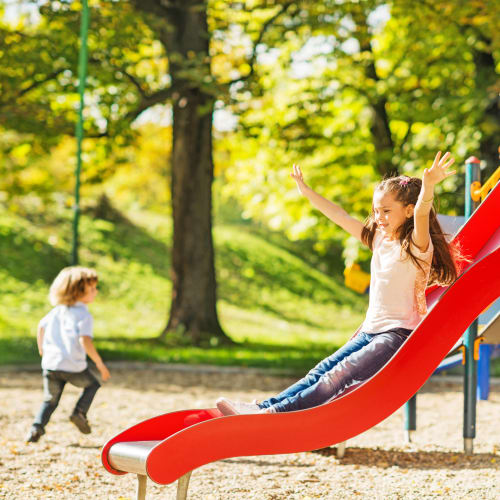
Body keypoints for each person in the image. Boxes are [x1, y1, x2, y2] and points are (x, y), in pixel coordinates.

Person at [217, 151, 459, 415]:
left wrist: (428, 187)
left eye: (387, 211)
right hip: (370, 331)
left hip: (396, 335)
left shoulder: (416, 245)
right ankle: (262, 406)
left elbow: (423, 212)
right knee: (321, 370)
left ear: (408, 210)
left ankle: (274, 413)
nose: (379, 217)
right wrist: (307, 192)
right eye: (376, 210)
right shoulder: (379, 239)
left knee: (338, 375)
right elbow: (340, 216)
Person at [26, 266, 110, 443]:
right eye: (92, 289)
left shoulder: (56, 311)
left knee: (50, 399)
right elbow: (85, 340)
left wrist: (42, 349)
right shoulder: (83, 315)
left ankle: (36, 429)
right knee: (93, 384)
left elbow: (41, 327)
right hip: (73, 366)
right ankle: (79, 412)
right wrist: (99, 363)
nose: (96, 292)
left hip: (51, 365)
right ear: (78, 292)